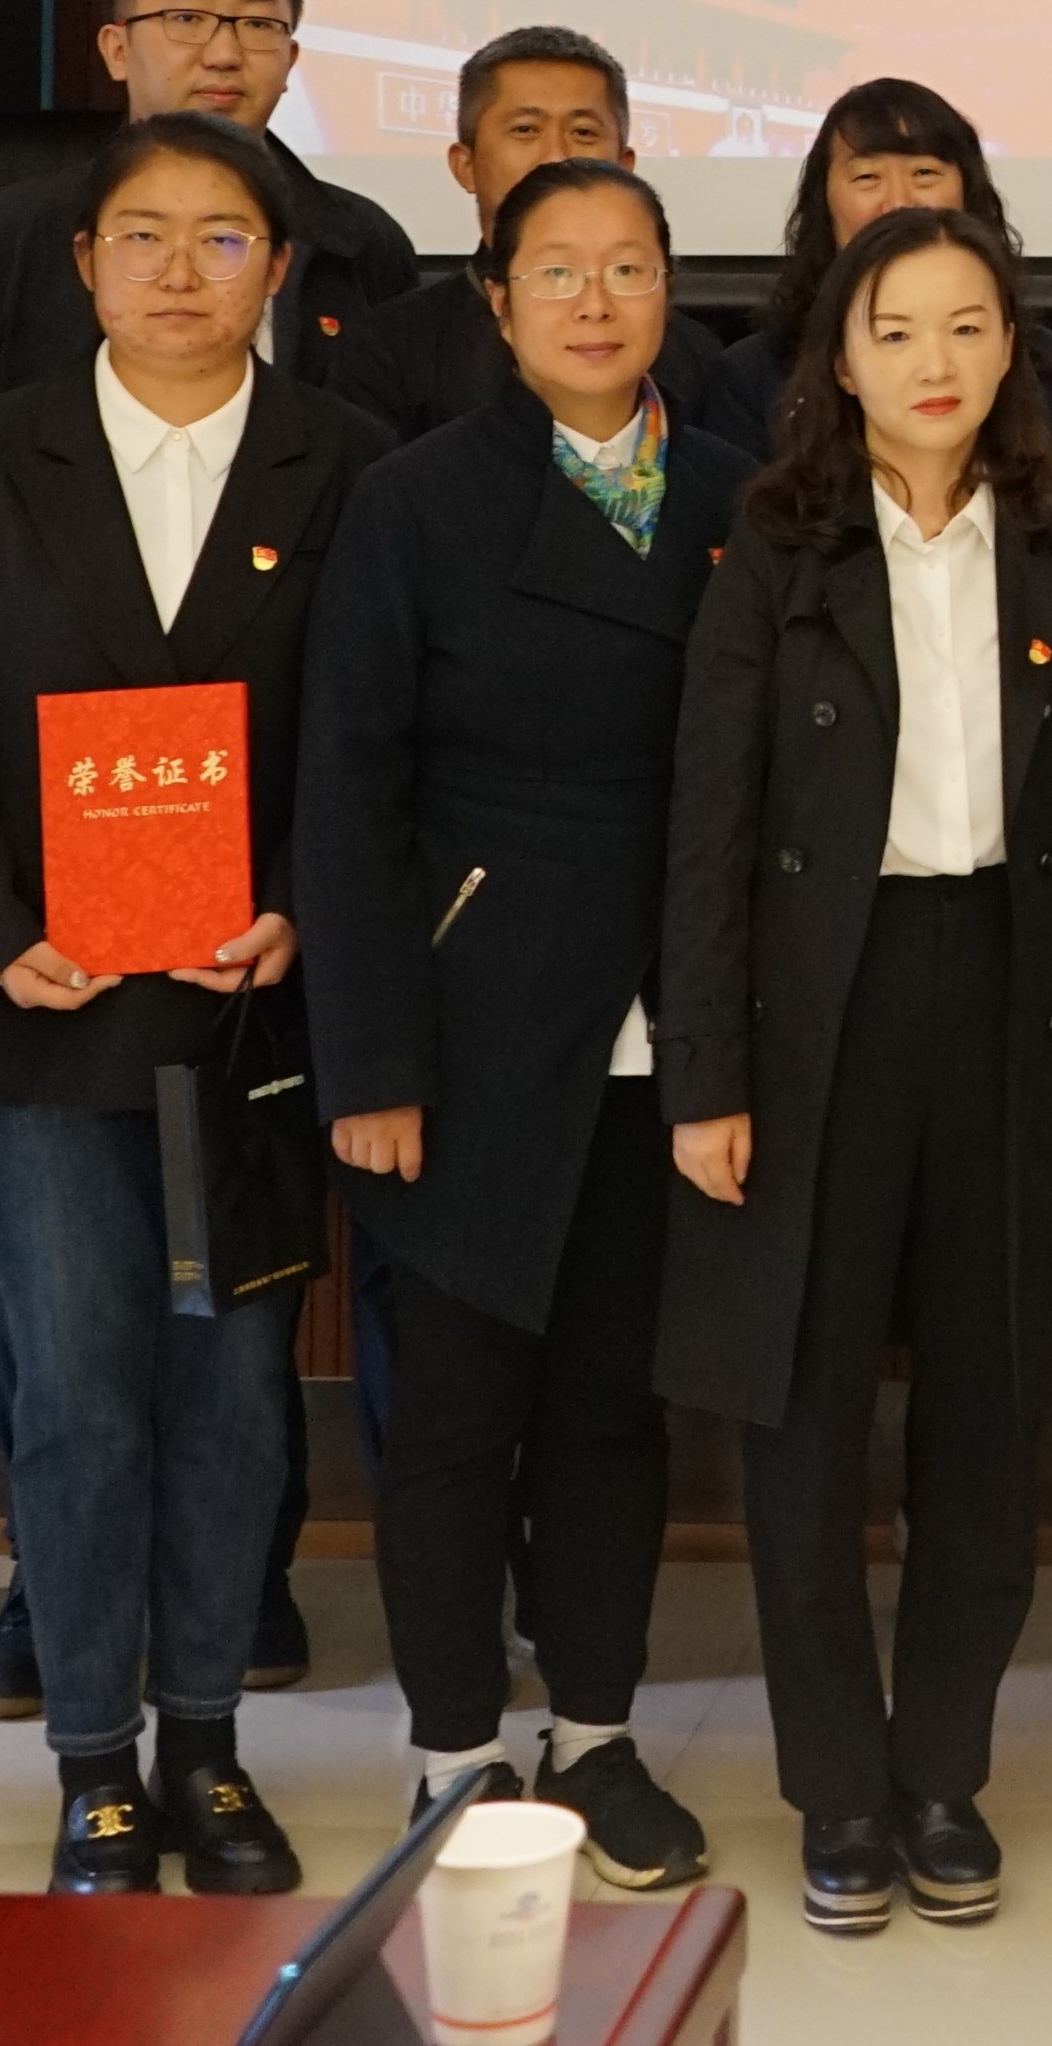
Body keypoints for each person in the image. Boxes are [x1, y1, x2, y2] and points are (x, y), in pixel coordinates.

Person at [0, 0, 401, 1709]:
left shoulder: (348, 463)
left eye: (222, 239)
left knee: (236, 1377)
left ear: (279, 267)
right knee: (76, 1379)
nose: (182, 271)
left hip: (251, 995)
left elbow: (371, 730)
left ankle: (209, 1731)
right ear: (85, 260)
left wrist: (303, 898)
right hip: (52, 993)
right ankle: (93, 1740)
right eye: (145, 238)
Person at [660, 206, 1052, 1936]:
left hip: (1010, 999)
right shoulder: (774, 540)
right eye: (896, 330)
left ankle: (944, 1770)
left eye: (966, 325)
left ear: (1011, 346)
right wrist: (704, 1071)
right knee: (799, 1422)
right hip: (821, 1009)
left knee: (988, 1415)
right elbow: (710, 826)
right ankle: (839, 1791)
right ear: (841, 359)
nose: (934, 361)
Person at [294, 155, 741, 1887]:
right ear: (496, 299)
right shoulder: (414, 499)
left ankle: (600, 1734)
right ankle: (456, 1749)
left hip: (668, 1022)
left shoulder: (736, 493)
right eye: (558, 268)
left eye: (628, 266)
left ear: (668, 290)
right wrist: (371, 1056)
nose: (596, 299)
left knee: (615, 1409)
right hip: (471, 1017)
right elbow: (349, 790)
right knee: (458, 1416)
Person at [0, 0, 417, 498]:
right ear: (117, 49)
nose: (224, 53)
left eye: (258, 23)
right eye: (187, 18)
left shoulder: (360, 244)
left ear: (290, 61)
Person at [685, 78, 1052, 468]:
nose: (899, 202)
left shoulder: (1050, 367)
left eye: (924, 173)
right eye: (868, 177)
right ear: (824, 202)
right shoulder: (752, 376)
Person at [323, 26, 636, 449]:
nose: (556, 157)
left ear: (625, 167)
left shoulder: (679, 349)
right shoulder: (388, 349)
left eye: (582, 132)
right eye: (525, 130)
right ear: (465, 166)